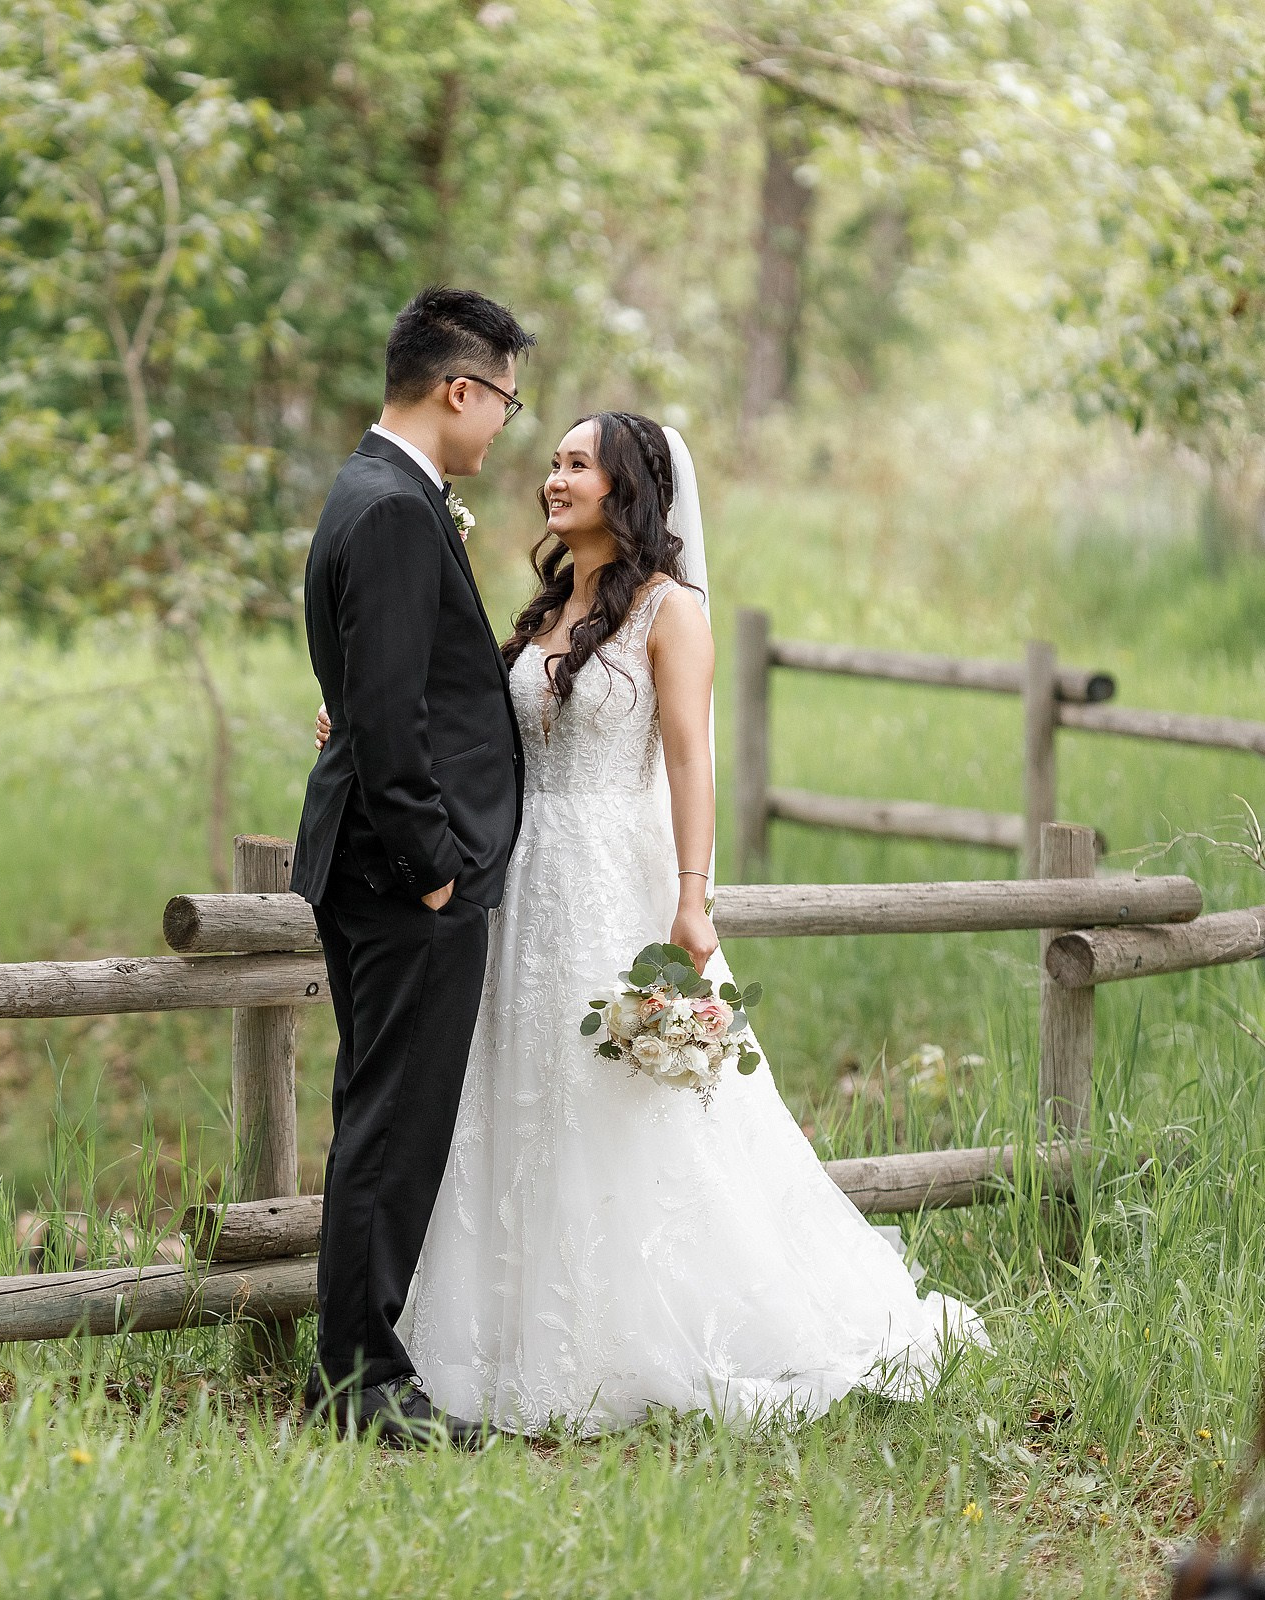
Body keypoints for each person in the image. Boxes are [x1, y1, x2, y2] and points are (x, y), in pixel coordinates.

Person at [316, 410, 985, 1437]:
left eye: (578, 464)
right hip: (517, 873)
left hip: (610, 876)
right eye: (553, 461)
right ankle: (484, 1330)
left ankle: (627, 1332)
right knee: (511, 1088)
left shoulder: (671, 611)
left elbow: (689, 758)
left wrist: (691, 892)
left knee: (615, 1101)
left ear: (627, 487)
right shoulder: (546, 606)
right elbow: (466, 719)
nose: (555, 478)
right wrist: (360, 710)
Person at [290, 286, 534, 1445]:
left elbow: (377, 692)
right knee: (394, 1123)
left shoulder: (374, 491)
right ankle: (363, 1384)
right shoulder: (392, 508)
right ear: (458, 389)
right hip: (403, 880)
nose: (504, 430)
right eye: (504, 403)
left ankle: (356, 1365)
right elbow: (385, 715)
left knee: (381, 1117)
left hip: (385, 869)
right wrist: (436, 864)